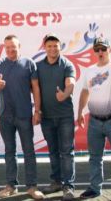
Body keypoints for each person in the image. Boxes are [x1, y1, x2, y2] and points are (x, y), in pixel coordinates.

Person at [0, 35, 45, 200]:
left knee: (29, 151)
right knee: (9, 151)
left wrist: (37, 111)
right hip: (5, 116)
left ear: (19, 46)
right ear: (4, 48)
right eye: (7, 47)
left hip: (24, 115)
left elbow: (36, 88)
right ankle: (11, 186)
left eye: (13, 46)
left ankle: (32, 187)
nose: (10, 50)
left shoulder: (29, 63)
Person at [76, 38, 111, 200]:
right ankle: (95, 188)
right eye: (97, 49)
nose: (100, 52)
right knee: (94, 158)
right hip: (94, 121)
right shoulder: (89, 70)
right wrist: (80, 112)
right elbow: (85, 92)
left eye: (103, 49)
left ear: (109, 49)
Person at [34, 33, 76, 199]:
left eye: (55, 46)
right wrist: (37, 111)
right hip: (46, 117)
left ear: (60, 47)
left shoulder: (67, 64)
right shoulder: (37, 66)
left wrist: (64, 94)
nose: (52, 49)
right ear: (45, 47)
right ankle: (56, 182)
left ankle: (68, 186)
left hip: (65, 116)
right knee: (53, 151)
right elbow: (34, 89)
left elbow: (70, 83)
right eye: (49, 46)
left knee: (66, 152)